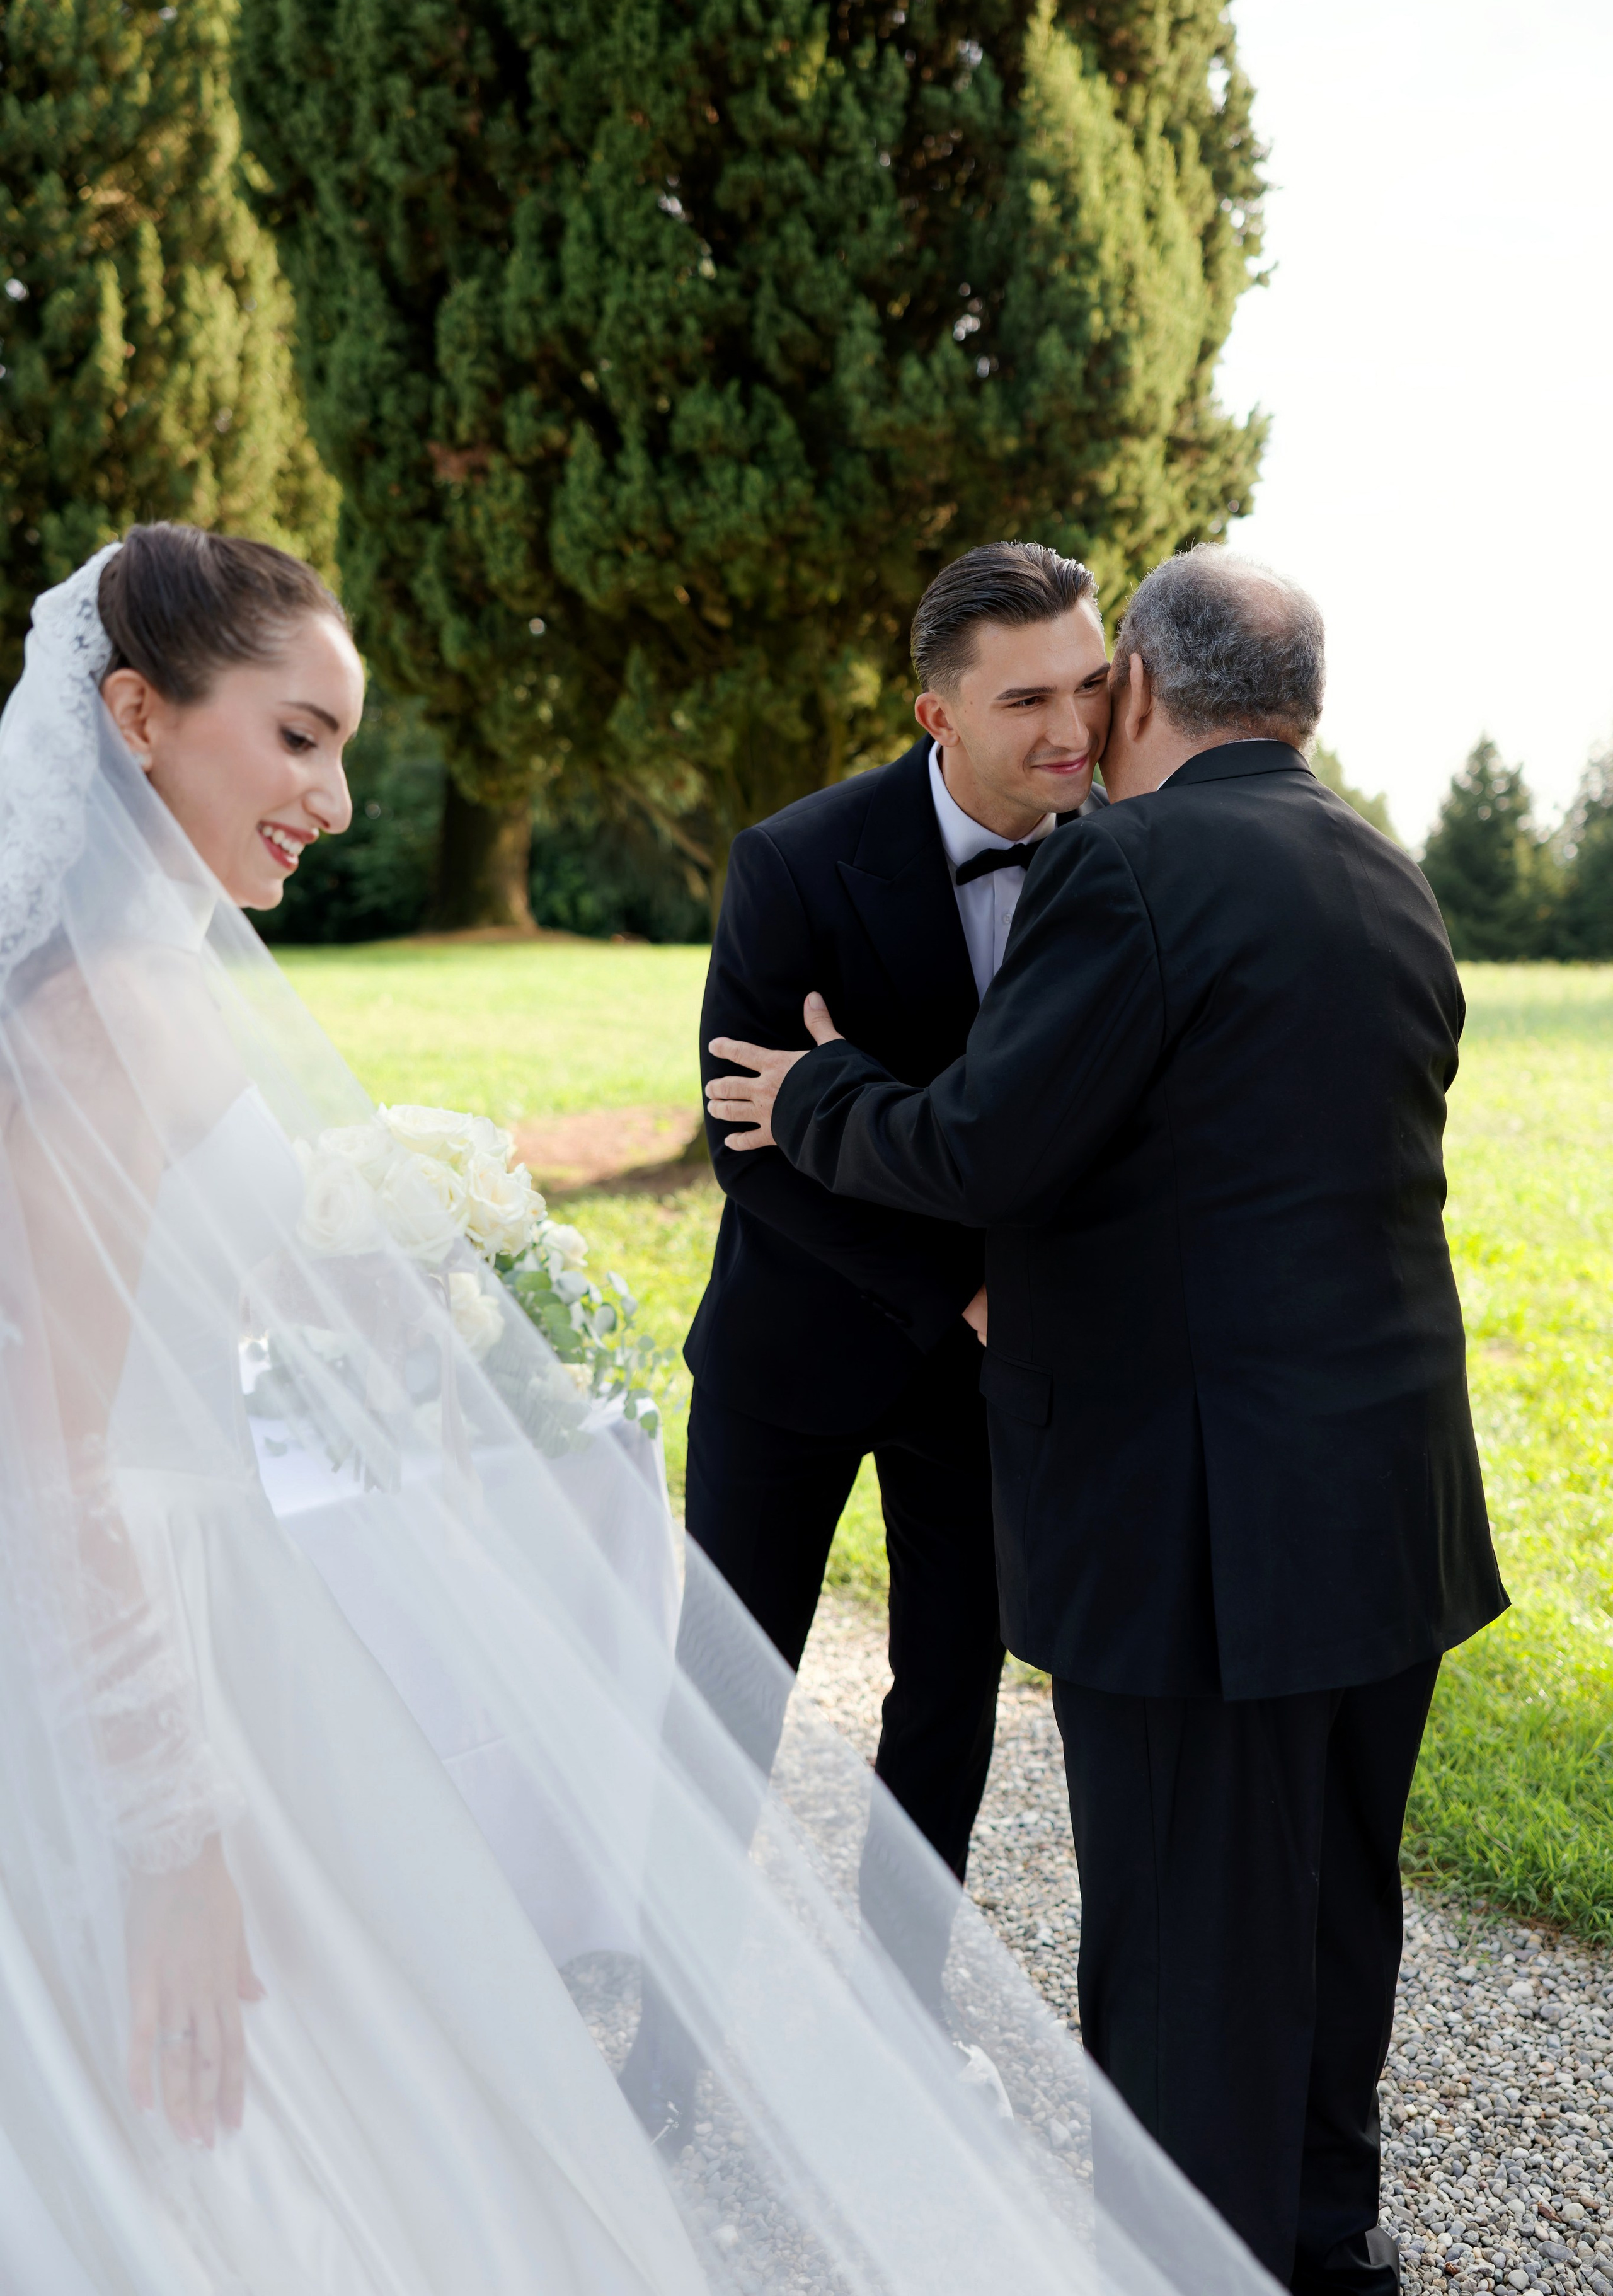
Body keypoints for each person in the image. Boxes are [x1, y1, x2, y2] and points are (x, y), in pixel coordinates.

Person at [0, 526, 1274, 2296]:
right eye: (300, 739)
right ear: (136, 716)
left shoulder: (187, 995)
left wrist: (416, 1287)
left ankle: (887, 2016)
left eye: (345, 745)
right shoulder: (81, 1029)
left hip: (245, 1606)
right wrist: (170, 1838)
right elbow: (61, 1472)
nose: (341, 799)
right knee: (215, 2121)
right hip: (140, 1648)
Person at [704, 545, 1508, 2295]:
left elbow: (991, 1142)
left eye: (1095, 689)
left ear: (1142, 685)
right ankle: (1320, 2251)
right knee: (1329, 1917)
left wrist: (819, 1094)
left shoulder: (1133, 867)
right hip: (1391, 1512)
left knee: (1184, 1967)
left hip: (1199, 1528)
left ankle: (1180, 2267)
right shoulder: (1388, 869)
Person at [626, 543, 1109, 2137]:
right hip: (792, 1354)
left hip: (994, 1376)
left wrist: (1000, 1302)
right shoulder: (795, 859)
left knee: (950, 1696)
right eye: (1027, 696)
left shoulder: (1135, 861)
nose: (1072, 726)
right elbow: (746, 1143)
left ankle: (896, 2029)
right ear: (934, 711)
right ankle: (667, 2054)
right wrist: (965, 1290)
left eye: (1089, 685)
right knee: (725, 1695)